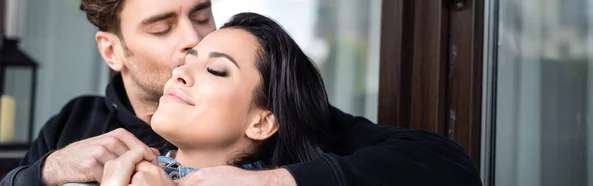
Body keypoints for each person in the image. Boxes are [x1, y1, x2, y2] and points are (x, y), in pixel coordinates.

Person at [0, 0, 482, 186]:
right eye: (163, 27)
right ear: (112, 50)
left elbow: (446, 164)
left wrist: (271, 184)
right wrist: (44, 172)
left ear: (262, 120)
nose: (190, 41)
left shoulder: (288, 126)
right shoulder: (73, 126)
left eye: (201, 14)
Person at [102, 12, 337, 185]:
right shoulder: (113, 169)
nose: (178, 73)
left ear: (261, 123)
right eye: (186, 62)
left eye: (215, 70)